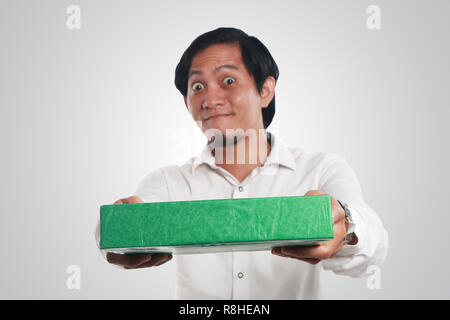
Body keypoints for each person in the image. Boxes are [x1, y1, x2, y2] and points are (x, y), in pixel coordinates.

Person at [95, 27, 388, 299]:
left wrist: (346, 224)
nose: (210, 98)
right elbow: (120, 222)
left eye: (228, 81)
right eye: (197, 86)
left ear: (265, 90)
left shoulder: (321, 169)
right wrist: (116, 230)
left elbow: (373, 247)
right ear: (186, 103)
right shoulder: (168, 182)